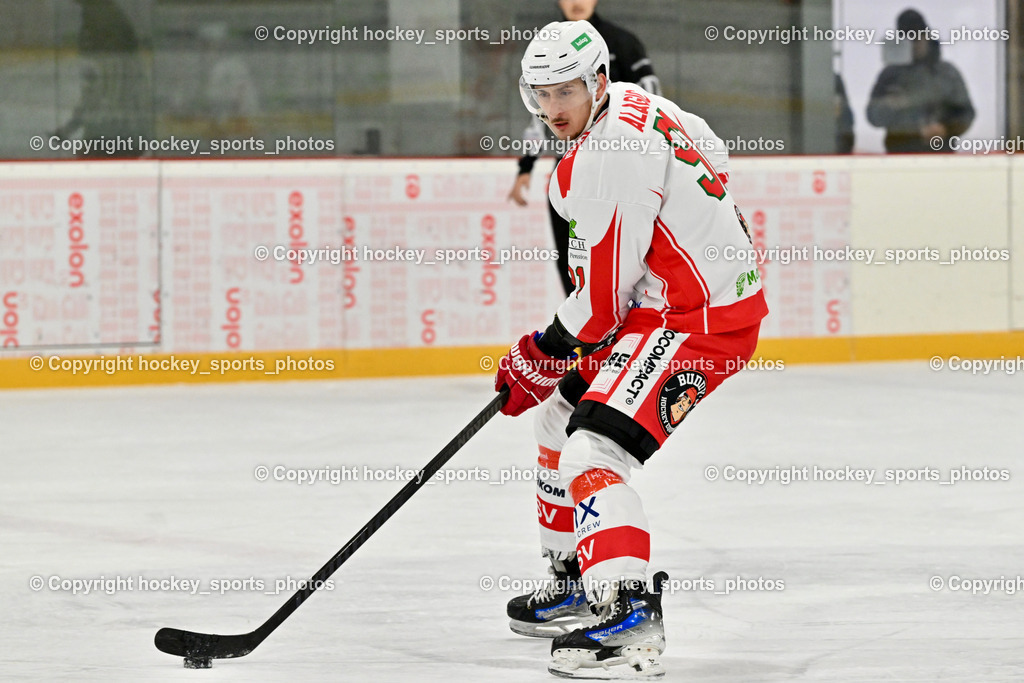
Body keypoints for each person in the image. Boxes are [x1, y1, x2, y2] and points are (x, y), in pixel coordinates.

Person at [494, 20, 767, 679]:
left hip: (697, 321)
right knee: (558, 415)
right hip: (671, 305)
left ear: (597, 82)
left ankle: (628, 617)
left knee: (592, 449)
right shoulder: (644, 105)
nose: (553, 109)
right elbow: (714, 156)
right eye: (541, 95)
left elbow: (598, 305)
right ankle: (573, 579)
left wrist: (539, 353)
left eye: (565, 92)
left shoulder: (606, 156)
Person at [508, 0, 662, 296]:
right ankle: (580, 321)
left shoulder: (623, 42)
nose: (577, 2)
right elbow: (539, 113)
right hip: (570, 165)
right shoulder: (546, 48)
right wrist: (526, 166)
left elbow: (652, 102)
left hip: (620, 167)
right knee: (571, 258)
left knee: (619, 257)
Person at [866, 8, 974, 153]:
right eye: (907, 39)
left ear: (927, 37)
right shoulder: (890, 76)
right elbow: (873, 117)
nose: (913, 44)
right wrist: (890, 105)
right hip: (898, 156)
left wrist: (944, 128)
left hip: (941, 156)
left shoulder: (947, 73)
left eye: (917, 38)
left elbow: (966, 113)